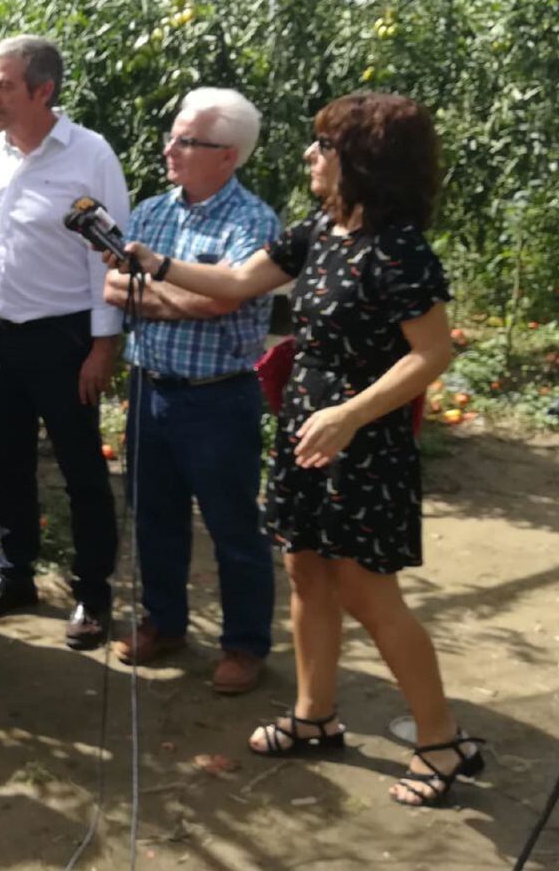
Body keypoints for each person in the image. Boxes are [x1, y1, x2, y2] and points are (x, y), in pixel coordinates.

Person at [110, 92, 484, 807]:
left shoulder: (398, 249)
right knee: (306, 574)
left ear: (363, 160)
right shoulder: (322, 229)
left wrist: (351, 413)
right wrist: (158, 264)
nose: (310, 155)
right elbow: (240, 281)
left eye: (324, 145)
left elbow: (430, 353)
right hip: (307, 431)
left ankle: (440, 741)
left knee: (371, 597)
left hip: (362, 444)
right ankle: (316, 715)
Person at [0, 35, 129, 650]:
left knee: (80, 470)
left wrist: (103, 346)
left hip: (65, 337)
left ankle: (93, 593)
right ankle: (13, 574)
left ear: (43, 91)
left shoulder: (89, 155)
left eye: (4, 85)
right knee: (7, 464)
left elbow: (110, 258)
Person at [104, 88, 279, 695]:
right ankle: (165, 621)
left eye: (186, 140)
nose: (169, 148)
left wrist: (168, 297)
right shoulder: (152, 212)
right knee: (155, 516)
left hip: (217, 397)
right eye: (172, 135)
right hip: (149, 387)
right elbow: (113, 290)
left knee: (233, 525)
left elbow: (227, 296)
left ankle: (245, 644)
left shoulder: (253, 222)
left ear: (227, 156)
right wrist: (191, 302)